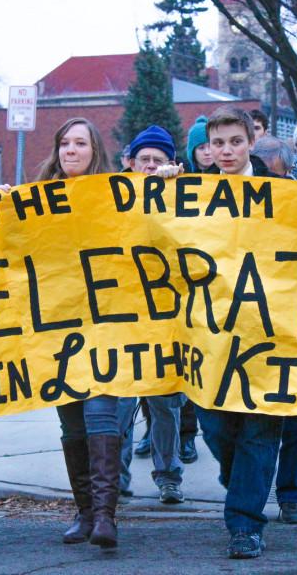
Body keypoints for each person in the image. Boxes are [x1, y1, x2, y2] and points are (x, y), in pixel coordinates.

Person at [166, 106, 283, 558]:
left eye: (236, 141)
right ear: (207, 149)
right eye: (218, 144)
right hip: (209, 337)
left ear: (252, 142)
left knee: (259, 429)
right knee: (217, 427)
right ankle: (240, 486)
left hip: (268, 334)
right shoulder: (187, 195)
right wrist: (159, 192)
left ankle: (245, 524)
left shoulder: (281, 193)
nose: (227, 150)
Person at [38, 117, 123, 549]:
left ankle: (107, 515)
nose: (71, 150)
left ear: (95, 151)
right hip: (56, 326)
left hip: (106, 325)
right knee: (72, 422)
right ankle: (85, 512)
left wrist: (166, 181)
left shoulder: (116, 196)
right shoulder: (34, 200)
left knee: (101, 415)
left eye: (80, 143)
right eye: (64, 143)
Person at [118, 124, 188, 505]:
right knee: (122, 404)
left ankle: (169, 476)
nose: (149, 166)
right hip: (124, 318)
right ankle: (118, 478)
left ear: (170, 164)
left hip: (166, 319)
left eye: (157, 160)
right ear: (130, 164)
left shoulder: (184, 197)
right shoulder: (112, 198)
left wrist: (175, 186)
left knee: (165, 406)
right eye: (143, 159)